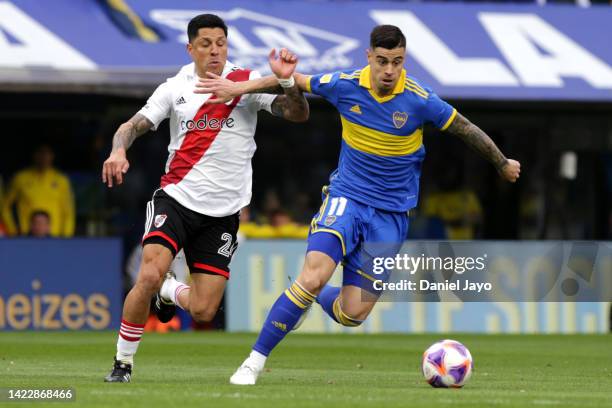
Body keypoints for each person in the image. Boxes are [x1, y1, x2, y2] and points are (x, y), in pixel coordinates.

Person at [197, 24, 521, 385]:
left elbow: (464, 128)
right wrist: (243, 86)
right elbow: (291, 81)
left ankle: (309, 301)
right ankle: (253, 363)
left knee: (352, 313)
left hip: (391, 216)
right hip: (346, 200)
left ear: (403, 61)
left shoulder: (420, 99)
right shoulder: (346, 84)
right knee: (313, 275)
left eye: (396, 62)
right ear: (369, 57)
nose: (388, 71)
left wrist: (502, 162)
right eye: (382, 61)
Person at [101, 13, 309, 382]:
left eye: (221, 43)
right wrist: (119, 150)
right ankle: (123, 363)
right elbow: (131, 126)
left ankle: (169, 290)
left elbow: (297, 113)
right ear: (190, 48)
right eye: (206, 44)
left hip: (224, 213)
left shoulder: (246, 83)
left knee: (203, 311)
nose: (214, 51)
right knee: (147, 273)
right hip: (176, 199)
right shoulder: (174, 87)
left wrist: (290, 82)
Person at [1, 145, 75, 237]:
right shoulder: (20, 178)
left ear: (52, 156)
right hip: (25, 236)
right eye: (40, 153)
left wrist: (67, 236)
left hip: (55, 237)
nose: (44, 157)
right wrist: (12, 230)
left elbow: (68, 211)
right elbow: (5, 207)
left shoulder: (61, 180)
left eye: (47, 154)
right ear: (34, 155)